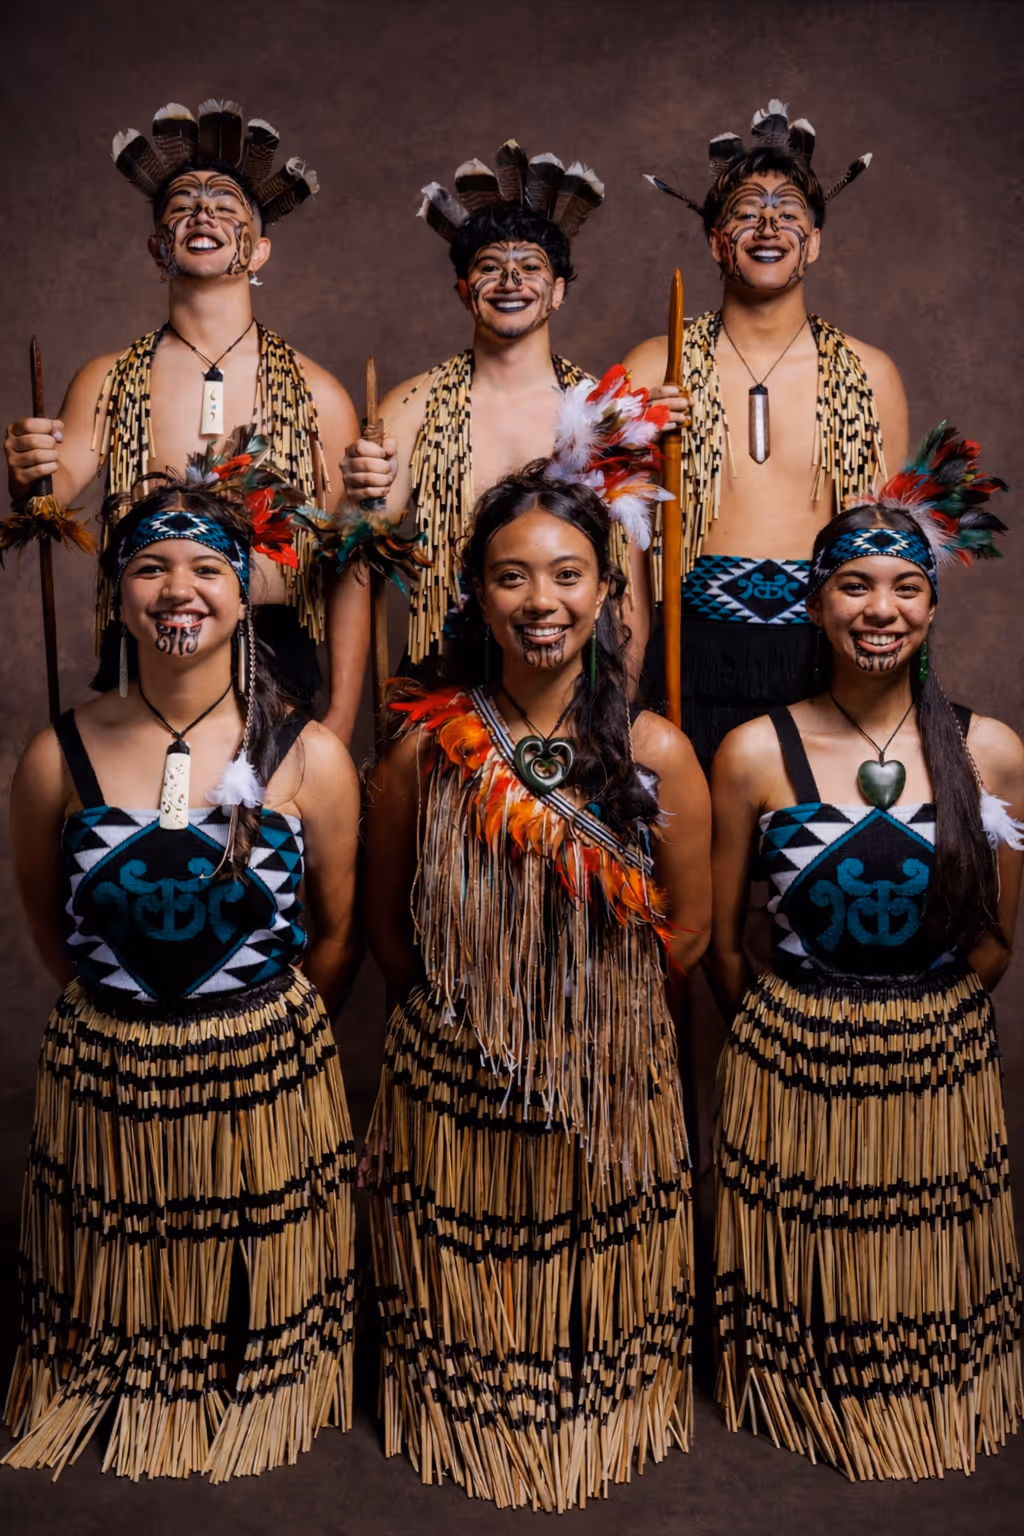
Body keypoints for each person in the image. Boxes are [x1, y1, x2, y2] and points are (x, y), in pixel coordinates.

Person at [362, 373, 711, 1509]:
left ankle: (597, 1397)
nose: (541, 599)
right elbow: (385, 927)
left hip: (608, 1082)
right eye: (512, 575)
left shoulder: (655, 750)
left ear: (608, 593)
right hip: (458, 1089)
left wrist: (584, 1028)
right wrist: (489, 1025)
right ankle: (471, 1396)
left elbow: (691, 930)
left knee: (595, 1293)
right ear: (475, 592)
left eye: (567, 574)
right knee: (470, 1286)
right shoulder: (425, 751)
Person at [3, 476, 361, 1480]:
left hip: (260, 1078)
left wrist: (257, 1034)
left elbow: (335, 934)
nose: (179, 589)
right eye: (150, 567)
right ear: (115, 595)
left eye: (208, 567)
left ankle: (254, 1371)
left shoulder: (308, 755)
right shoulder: (57, 754)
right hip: (109, 1076)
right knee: (122, 1276)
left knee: (249, 1295)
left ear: (246, 594)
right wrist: (135, 1021)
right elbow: (51, 924)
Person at [708, 428, 1023, 1478]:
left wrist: (909, 1023)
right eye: (851, 586)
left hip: (932, 1057)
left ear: (932, 608)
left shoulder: (985, 751)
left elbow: (995, 941)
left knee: (915, 1262)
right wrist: (798, 1025)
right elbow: (724, 937)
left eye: (902, 589)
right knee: (815, 1261)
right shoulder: (756, 750)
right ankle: (803, 1383)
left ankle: (929, 1384)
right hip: (794, 1051)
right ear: (813, 602)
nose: (877, 610)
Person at [3, 98, 367, 740]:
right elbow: (48, 498)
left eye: (227, 206)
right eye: (182, 206)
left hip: (277, 654)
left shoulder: (318, 394)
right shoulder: (109, 380)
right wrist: (29, 469)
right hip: (145, 652)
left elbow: (351, 558)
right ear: (156, 247)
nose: (203, 213)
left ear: (260, 252)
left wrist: (338, 717)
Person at [626, 99, 909, 768]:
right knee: (687, 863)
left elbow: (891, 554)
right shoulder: (654, 364)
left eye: (789, 214)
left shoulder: (869, 374)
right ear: (714, 239)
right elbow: (621, 548)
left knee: (807, 859)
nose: (768, 225)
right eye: (746, 212)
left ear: (814, 241)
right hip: (686, 650)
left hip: (823, 655)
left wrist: (884, 687)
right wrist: (624, 688)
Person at [340, 138, 652, 682]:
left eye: (529, 267)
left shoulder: (601, 412)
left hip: (572, 665)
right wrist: (356, 498)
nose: (510, 281)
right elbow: (360, 553)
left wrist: (619, 704)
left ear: (556, 292)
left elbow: (628, 582)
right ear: (465, 291)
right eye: (490, 267)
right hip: (447, 666)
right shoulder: (412, 407)